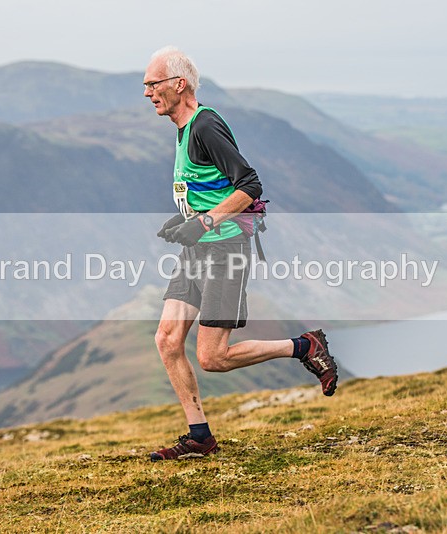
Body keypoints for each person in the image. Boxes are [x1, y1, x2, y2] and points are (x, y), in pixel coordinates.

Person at [144, 46, 338, 461]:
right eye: (144, 85)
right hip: (198, 251)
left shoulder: (205, 125)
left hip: (226, 250)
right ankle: (199, 436)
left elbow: (249, 185)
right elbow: (207, 191)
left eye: (153, 83)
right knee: (166, 339)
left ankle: (304, 347)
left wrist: (206, 222)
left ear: (180, 84)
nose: (147, 92)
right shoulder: (182, 129)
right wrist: (186, 223)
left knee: (212, 357)